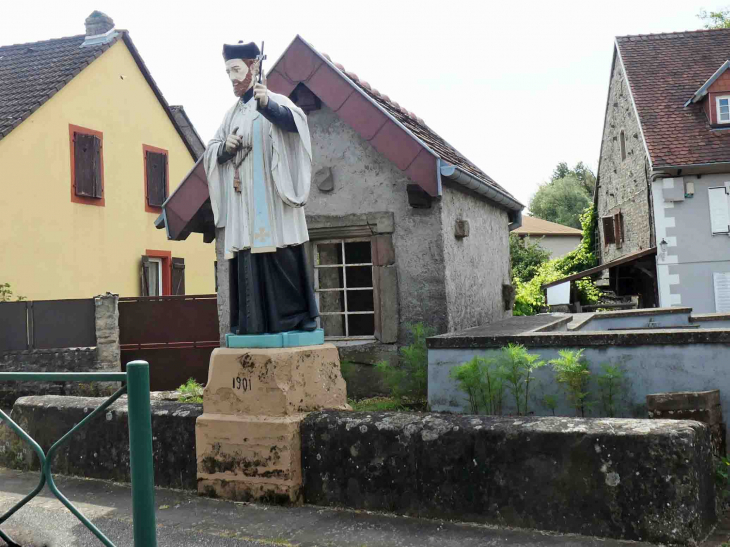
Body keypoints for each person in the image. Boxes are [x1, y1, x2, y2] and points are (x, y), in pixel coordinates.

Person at [204, 41, 318, 335]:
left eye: (237, 69)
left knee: (281, 257)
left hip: (271, 199)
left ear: (254, 66)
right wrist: (223, 150)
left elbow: (297, 128)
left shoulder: (274, 101)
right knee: (247, 260)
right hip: (243, 204)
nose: (231, 77)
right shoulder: (231, 115)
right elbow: (212, 149)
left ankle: (294, 319)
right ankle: (250, 323)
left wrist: (268, 105)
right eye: (227, 70)